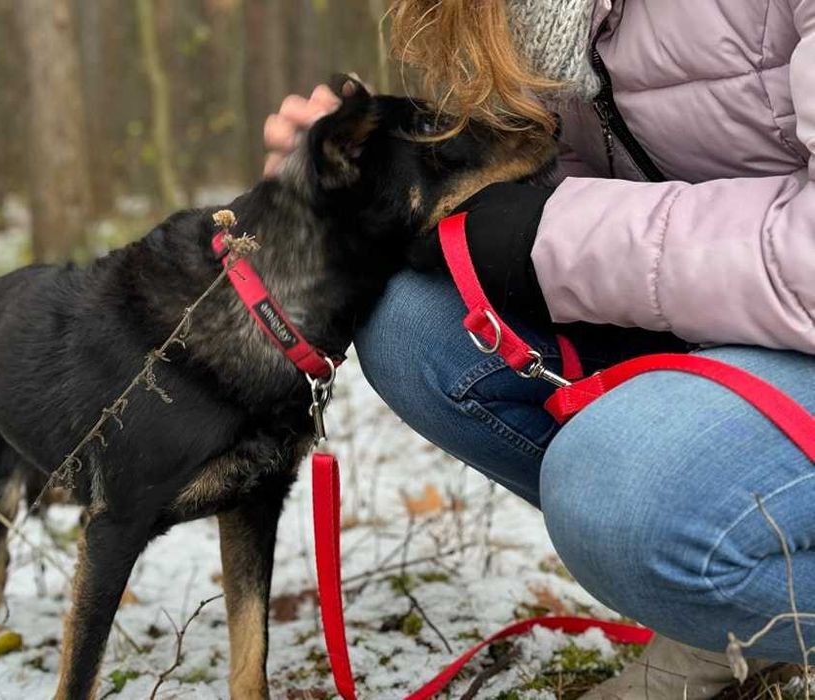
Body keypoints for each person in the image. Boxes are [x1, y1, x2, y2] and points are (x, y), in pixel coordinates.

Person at [264, 1, 815, 697]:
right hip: (740, 318)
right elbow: (604, 173)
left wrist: (548, 239)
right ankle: (717, 621)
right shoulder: (546, 12)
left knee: (623, 495)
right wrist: (382, 165)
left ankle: (706, 561)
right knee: (414, 324)